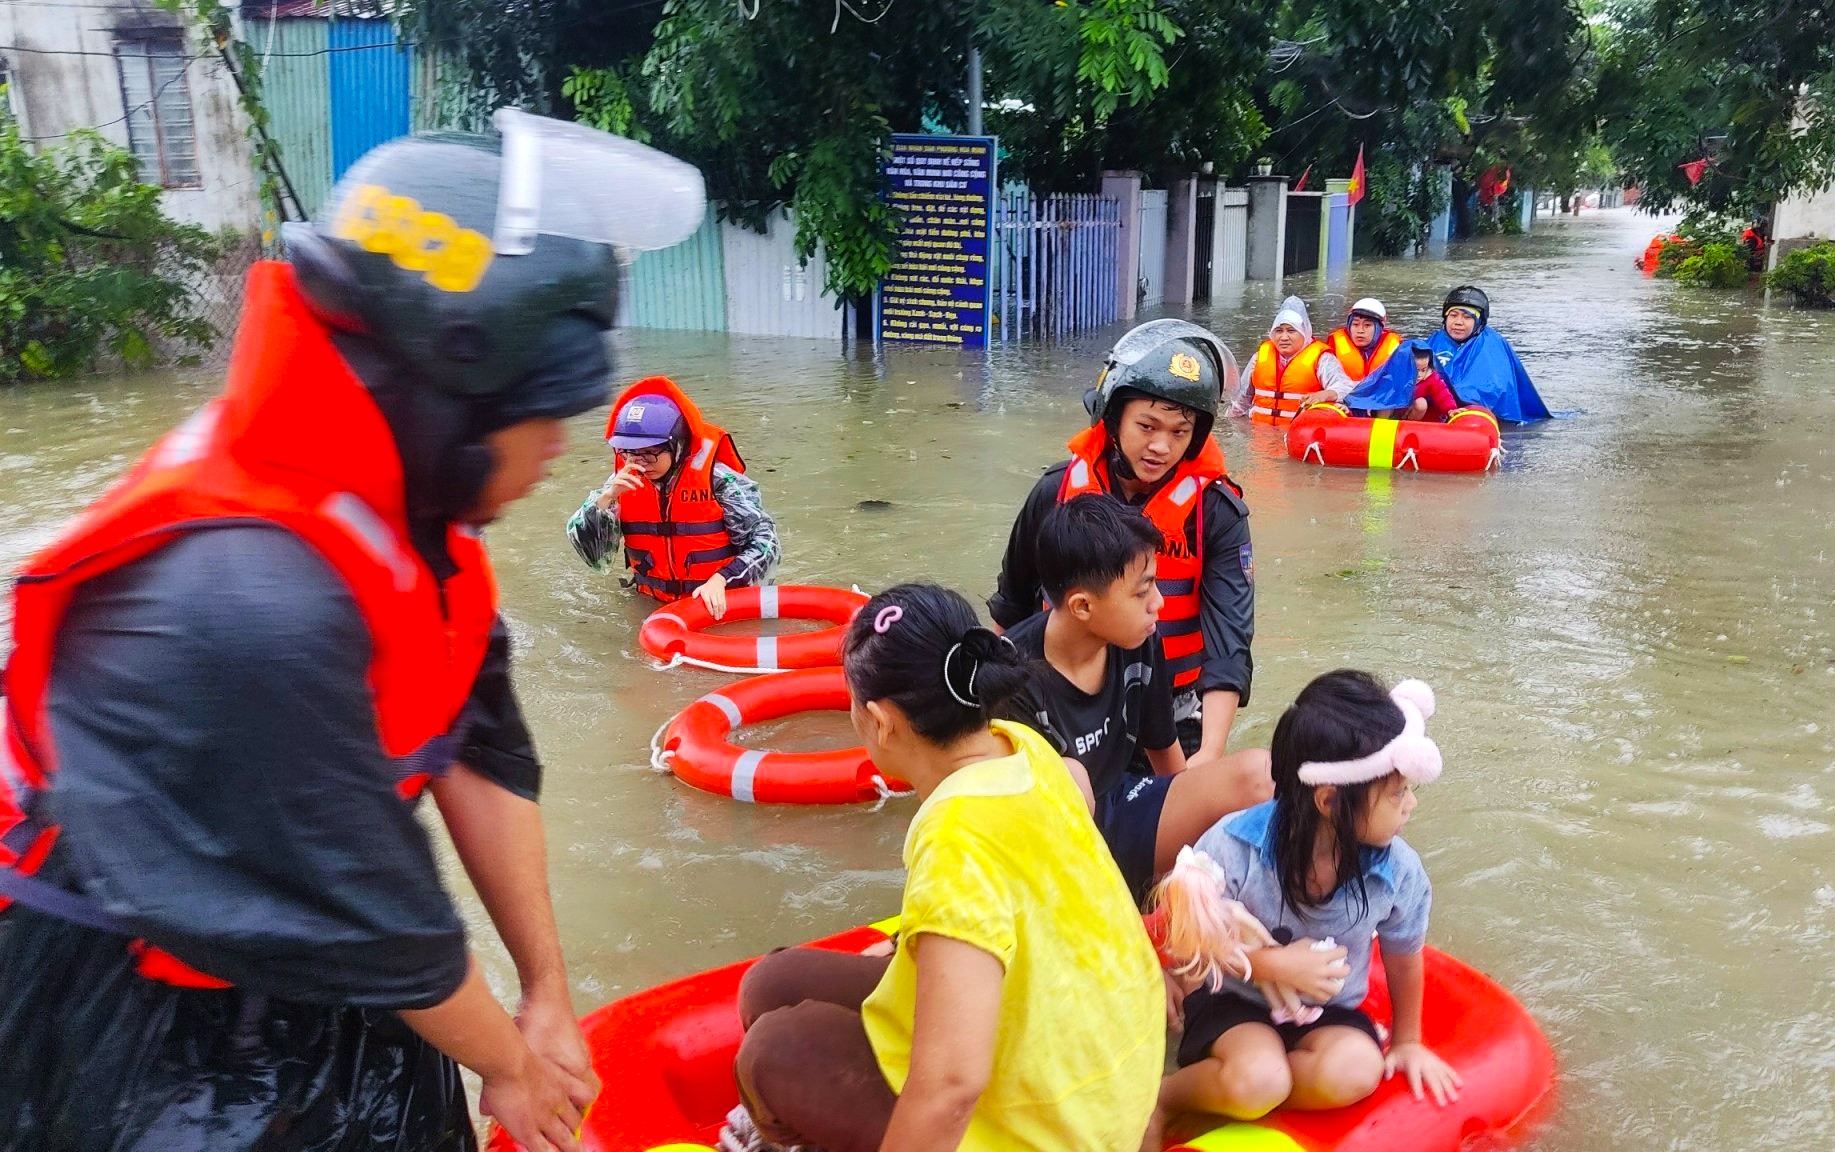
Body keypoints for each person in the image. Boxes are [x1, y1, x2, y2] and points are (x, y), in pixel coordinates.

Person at [0, 112, 707, 1152]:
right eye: (544, 412)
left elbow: (485, 753)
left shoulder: (421, 530)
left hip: (332, 956)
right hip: (124, 1007)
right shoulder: (250, 600)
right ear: (452, 393)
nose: (565, 444)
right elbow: (379, 925)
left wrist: (547, 995)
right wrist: (508, 1065)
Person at [724, 583, 1164, 1152]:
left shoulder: (955, 833)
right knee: (771, 985)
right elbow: (1041, 852)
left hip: (1050, 1130)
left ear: (880, 722)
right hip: (1102, 1072)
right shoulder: (1021, 745)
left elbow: (953, 1084)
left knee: (771, 1052)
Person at [1143, 671, 1462, 1144]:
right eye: (1396, 793)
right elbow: (1188, 938)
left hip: (1327, 1011)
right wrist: (1270, 964)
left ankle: (1247, 1090)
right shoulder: (1234, 846)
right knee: (1260, 1079)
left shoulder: (1398, 871)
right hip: (1236, 1002)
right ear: (1330, 799)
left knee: (1356, 1071)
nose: (1410, 804)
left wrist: (1408, 1041)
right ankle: (1167, 1099)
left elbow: (1403, 951)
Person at [990, 320, 1260, 781]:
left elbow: (1229, 645)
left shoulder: (1216, 513)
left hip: (1172, 708)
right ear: (1114, 417)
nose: (1161, 446)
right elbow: (1012, 607)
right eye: (1147, 425)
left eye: (1180, 432)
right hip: (1061, 702)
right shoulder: (1055, 492)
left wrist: (1209, 755)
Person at [1006, 493, 1271, 904]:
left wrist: (1190, 853)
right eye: (1142, 590)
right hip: (1063, 850)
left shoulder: (1138, 641)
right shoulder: (1011, 681)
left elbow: (1167, 757)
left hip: (1127, 805)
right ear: (1082, 606)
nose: (1159, 603)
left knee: (1260, 774)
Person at [566, 375, 779, 618]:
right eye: (630, 453)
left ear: (677, 445)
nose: (640, 464)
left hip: (715, 604)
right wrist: (605, 500)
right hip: (652, 604)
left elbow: (766, 543)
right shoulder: (620, 484)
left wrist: (722, 579)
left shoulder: (719, 479)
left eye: (650, 453)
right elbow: (596, 560)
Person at [1347, 286, 1550, 424]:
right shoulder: (1436, 340)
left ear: (1479, 323)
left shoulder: (1491, 344)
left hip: (1469, 416)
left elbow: (1492, 389)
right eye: (1453, 315)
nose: (1458, 322)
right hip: (1434, 409)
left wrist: (1452, 401)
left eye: (1467, 317)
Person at [1226, 296, 1354, 424]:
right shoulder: (1259, 357)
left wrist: (1324, 395)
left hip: (1300, 434)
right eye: (1279, 331)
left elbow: (1346, 388)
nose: (1284, 337)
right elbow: (1241, 401)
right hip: (1260, 432)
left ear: (1304, 332)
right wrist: (1226, 425)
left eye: (1291, 331)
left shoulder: (1322, 359)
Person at [1324, 298, 1403, 385]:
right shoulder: (1333, 347)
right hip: (1346, 395)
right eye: (1355, 324)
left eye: (1367, 325)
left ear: (1379, 328)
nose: (1360, 330)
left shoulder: (1397, 348)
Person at [1403, 343, 1461, 422]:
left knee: (1421, 403)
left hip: (1413, 413)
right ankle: (1384, 422)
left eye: (1423, 370)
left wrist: (1450, 409)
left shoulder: (1431, 378)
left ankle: (1411, 424)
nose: (1419, 375)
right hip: (1397, 410)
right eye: (1415, 370)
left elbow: (1442, 393)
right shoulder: (1396, 376)